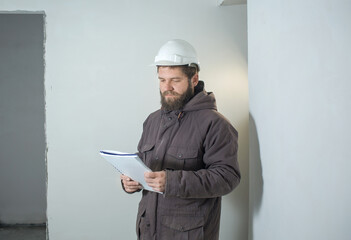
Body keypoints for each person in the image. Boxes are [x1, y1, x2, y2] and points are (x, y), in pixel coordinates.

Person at [120, 39, 240, 240]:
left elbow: (227, 177)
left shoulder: (215, 124)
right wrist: (131, 181)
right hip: (148, 231)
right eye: (161, 79)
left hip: (189, 234)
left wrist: (171, 182)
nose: (166, 87)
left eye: (175, 80)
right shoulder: (152, 120)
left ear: (194, 79)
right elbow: (143, 166)